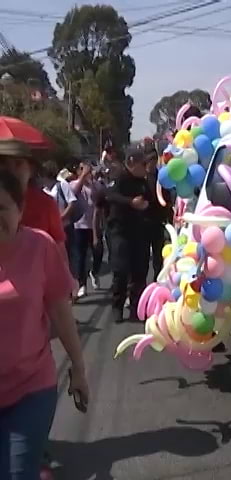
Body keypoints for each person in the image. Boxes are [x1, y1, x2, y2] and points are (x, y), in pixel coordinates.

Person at [0, 170, 89, 480]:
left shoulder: (40, 247)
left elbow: (61, 313)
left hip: (31, 388)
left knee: (16, 473)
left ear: (20, 210)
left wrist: (78, 368)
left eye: (2, 209)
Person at [106, 147, 151, 323]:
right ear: (132, 163)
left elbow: (151, 199)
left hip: (138, 231)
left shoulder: (143, 181)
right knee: (121, 270)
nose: (145, 167)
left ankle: (136, 308)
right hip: (120, 231)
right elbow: (108, 195)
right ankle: (117, 307)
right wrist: (130, 202)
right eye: (142, 164)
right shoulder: (120, 177)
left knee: (139, 272)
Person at [39, 160, 79, 278]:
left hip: (64, 227)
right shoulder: (43, 190)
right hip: (49, 229)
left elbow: (72, 203)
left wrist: (60, 217)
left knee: (67, 257)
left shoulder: (61, 185)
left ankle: (71, 284)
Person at [145, 148, 174, 280]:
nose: (151, 163)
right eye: (149, 160)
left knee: (158, 253)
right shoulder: (143, 178)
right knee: (144, 255)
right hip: (144, 221)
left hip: (158, 220)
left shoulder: (161, 177)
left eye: (153, 160)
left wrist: (168, 217)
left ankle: (157, 278)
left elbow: (167, 197)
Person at [69, 162, 97, 297]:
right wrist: (83, 176)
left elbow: (98, 204)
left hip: (92, 225)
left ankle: (94, 271)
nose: (85, 172)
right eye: (82, 169)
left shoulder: (93, 186)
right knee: (81, 256)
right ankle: (82, 284)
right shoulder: (73, 184)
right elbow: (73, 193)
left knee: (97, 252)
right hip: (79, 225)